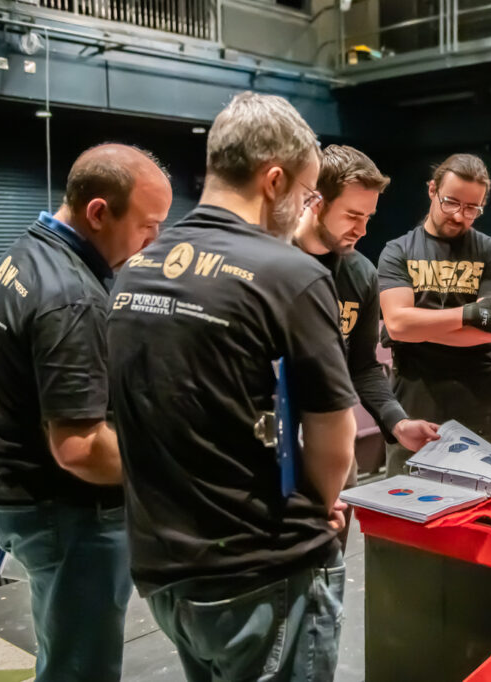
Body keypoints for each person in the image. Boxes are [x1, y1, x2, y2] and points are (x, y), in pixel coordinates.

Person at [108, 92, 358, 681]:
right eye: (308, 193)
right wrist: (317, 509)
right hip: (263, 572)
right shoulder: (290, 274)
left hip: (165, 569)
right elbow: (333, 436)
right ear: (274, 181)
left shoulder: (135, 270)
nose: (305, 208)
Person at [0, 144, 172, 681]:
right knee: (82, 670)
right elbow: (80, 448)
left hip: (23, 492)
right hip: (70, 515)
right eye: (147, 225)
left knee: (62, 652)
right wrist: (171, 471)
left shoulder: (25, 251)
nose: (154, 241)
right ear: (99, 213)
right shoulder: (70, 296)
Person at [292, 144, 440, 542]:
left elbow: (362, 366)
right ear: (316, 202)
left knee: (330, 568)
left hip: (334, 450)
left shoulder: (360, 273)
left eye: (368, 217)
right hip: (274, 449)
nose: (362, 229)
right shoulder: (272, 261)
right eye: (352, 215)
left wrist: (397, 421)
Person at [378, 153, 491, 475]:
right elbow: (397, 325)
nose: (459, 215)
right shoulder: (398, 250)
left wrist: (416, 327)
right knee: (406, 498)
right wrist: (470, 313)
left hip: (480, 398)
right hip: (414, 398)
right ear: (432, 190)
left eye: (472, 208)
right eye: (451, 202)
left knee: (489, 498)